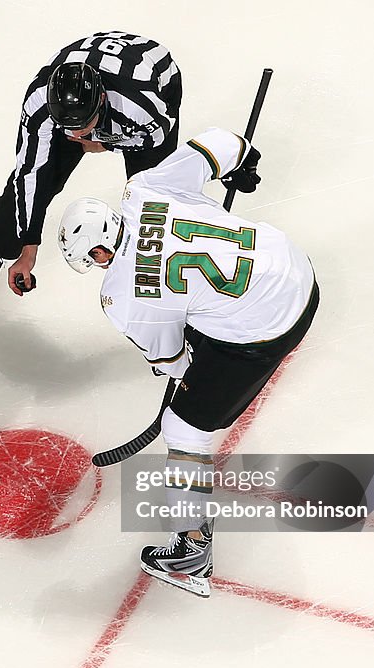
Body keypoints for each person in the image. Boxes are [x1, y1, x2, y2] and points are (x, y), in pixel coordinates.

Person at [56, 128, 319, 597]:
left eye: (93, 260)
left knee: (184, 429)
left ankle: (192, 550)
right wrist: (243, 161)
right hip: (296, 265)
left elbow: (174, 359)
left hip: (271, 323)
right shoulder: (144, 190)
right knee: (195, 311)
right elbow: (220, 142)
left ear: (98, 252)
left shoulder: (122, 297)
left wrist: (184, 379)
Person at [0, 31, 182, 296]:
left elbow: (155, 138)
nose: (75, 136)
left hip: (155, 75)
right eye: (66, 127)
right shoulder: (39, 102)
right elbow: (30, 174)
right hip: (95, 81)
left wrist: (108, 143)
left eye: (83, 127)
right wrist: (29, 247)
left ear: (102, 102)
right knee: (36, 179)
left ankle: (163, 253)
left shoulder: (140, 106)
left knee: (154, 189)